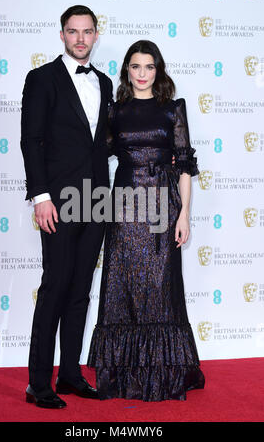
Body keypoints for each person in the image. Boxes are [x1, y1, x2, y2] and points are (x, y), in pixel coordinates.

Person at [88, 40, 205, 401]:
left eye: (149, 67)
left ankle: (165, 376)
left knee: (161, 287)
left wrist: (184, 213)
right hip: (123, 205)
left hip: (163, 206)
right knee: (122, 284)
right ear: (126, 70)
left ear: (159, 70)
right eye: (135, 67)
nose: (142, 74)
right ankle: (121, 378)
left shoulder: (173, 110)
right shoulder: (115, 111)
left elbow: (184, 166)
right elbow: (93, 153)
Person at [20, 5, 113, 408]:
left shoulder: (106, 83)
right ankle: (38, 383)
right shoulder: (41, 79)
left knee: (80, 291)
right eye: (72, 31)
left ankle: (71, 375)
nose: (80, 38)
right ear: (61, 35)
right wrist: (40, 197)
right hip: (57, 201)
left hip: (96, 200)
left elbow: (103, 145)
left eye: (86, 31)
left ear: (96, 35)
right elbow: (31, 140)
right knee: (55, 286)